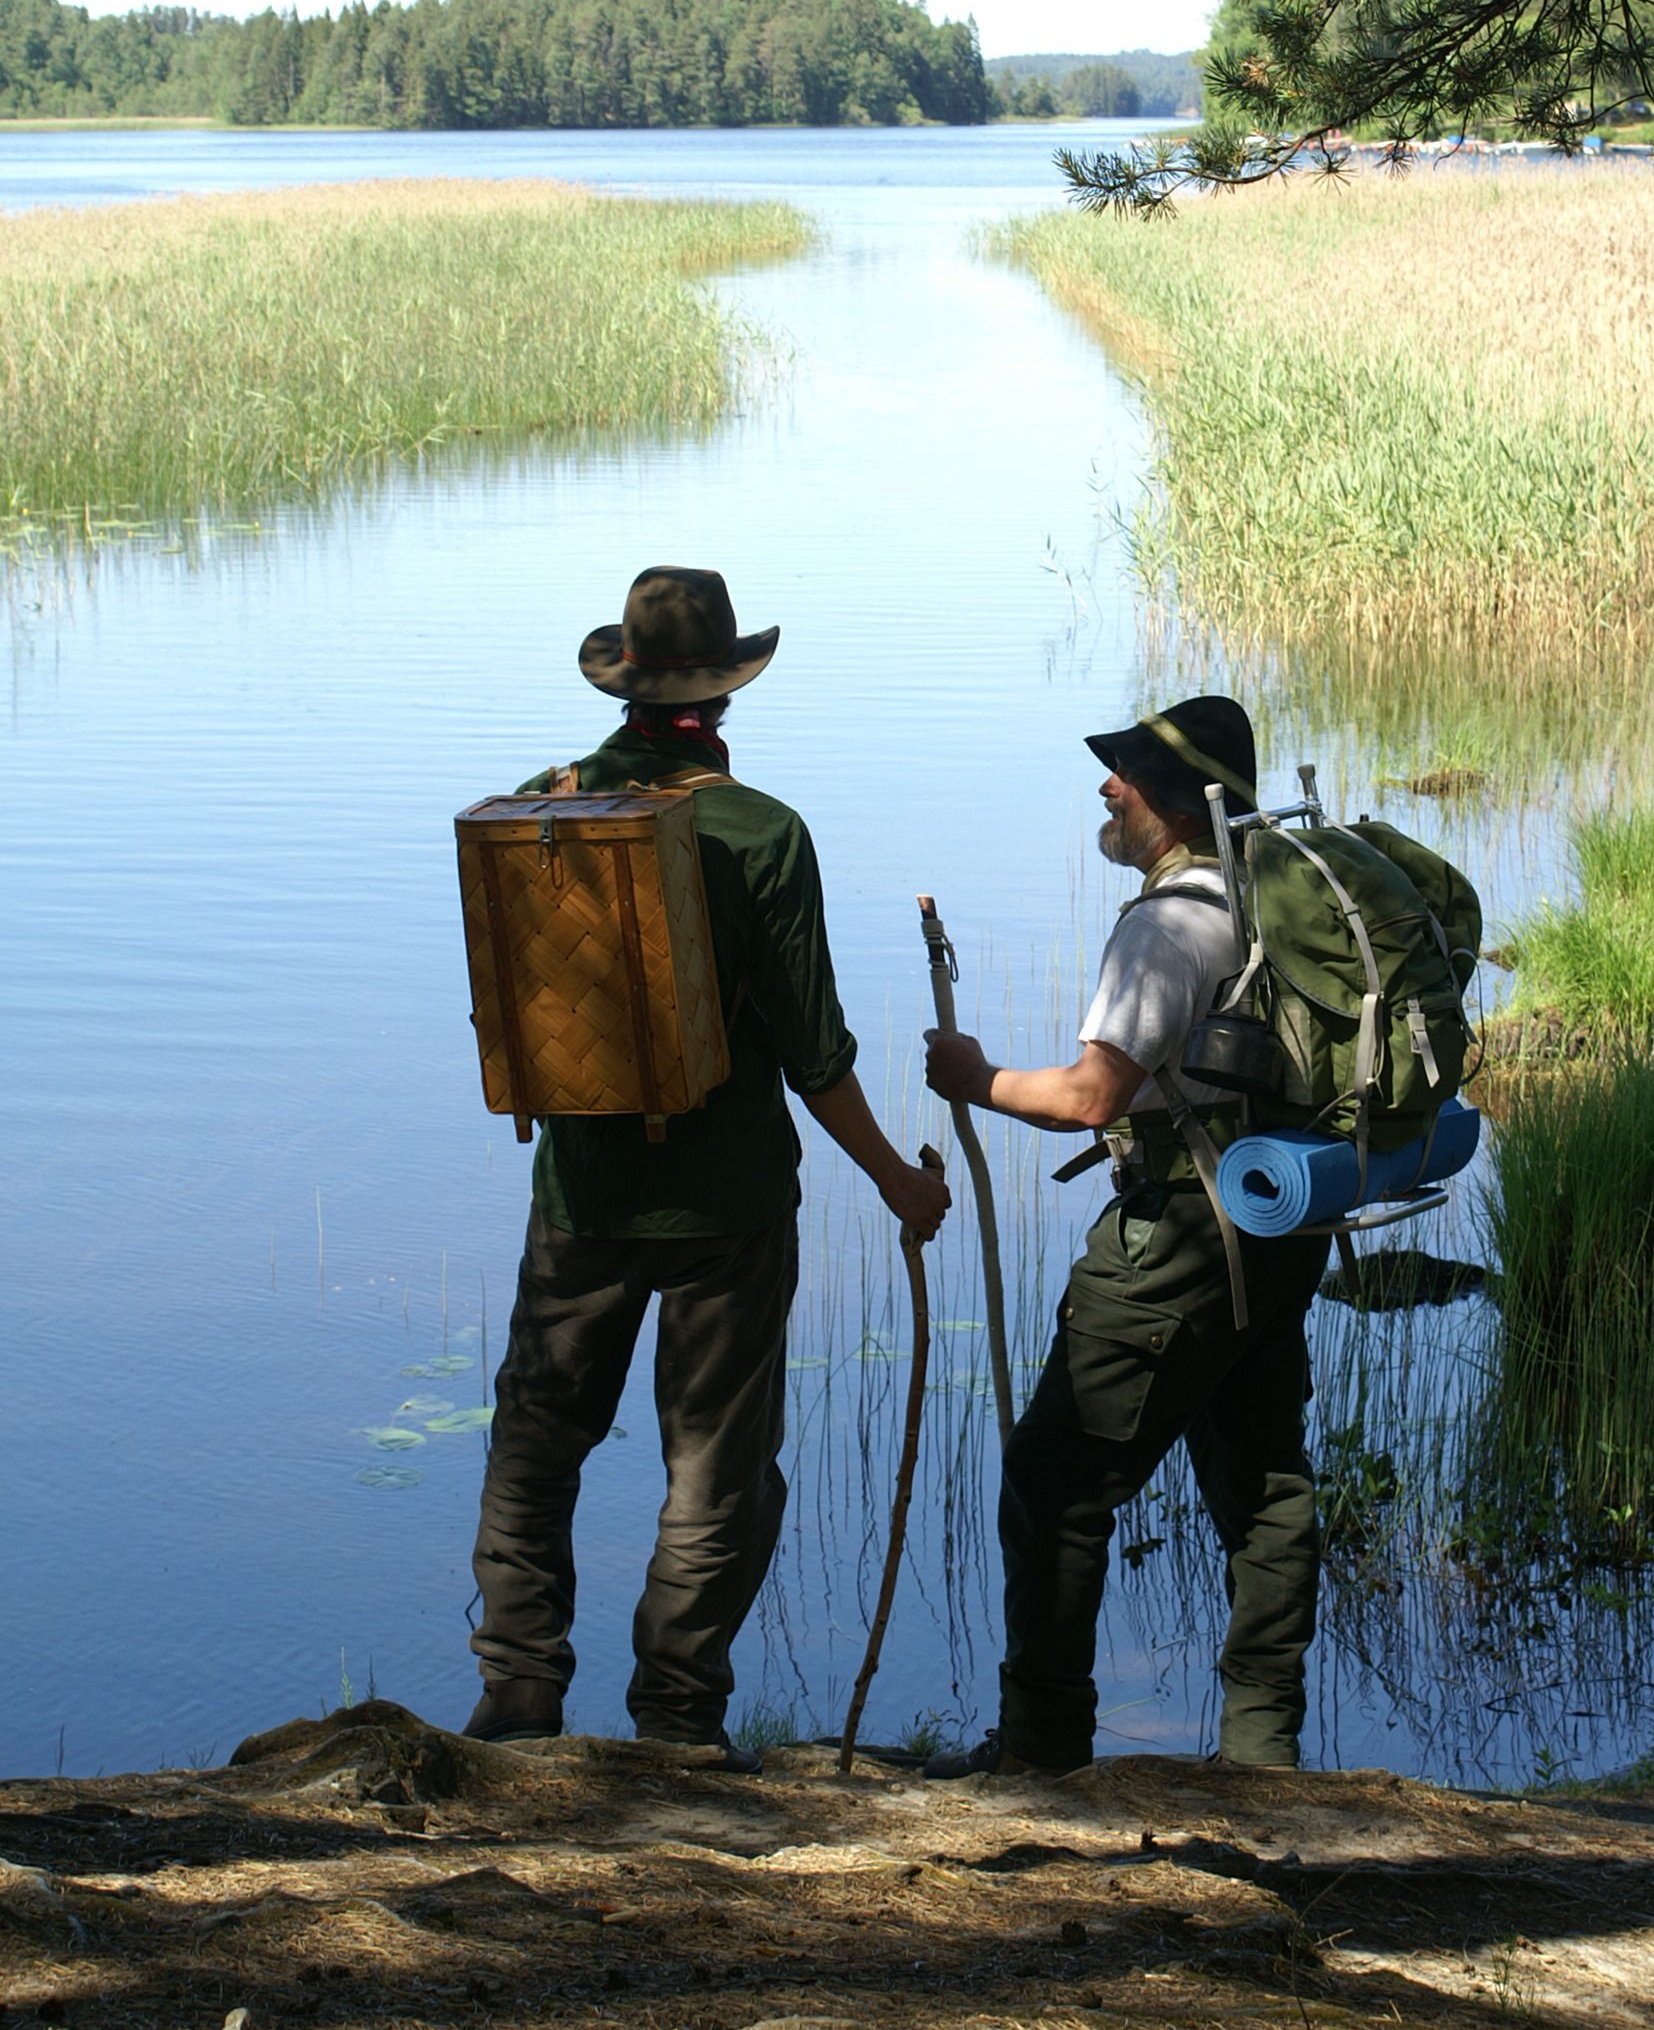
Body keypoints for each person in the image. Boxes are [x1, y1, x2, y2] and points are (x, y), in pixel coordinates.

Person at [465, 565, 947, 1764]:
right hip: (729, 1202)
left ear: (624, 687)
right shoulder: (763, 831)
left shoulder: (541, 809)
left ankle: (517, 1694)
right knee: (714, 1465)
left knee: (536, 1441)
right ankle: (677, 1719)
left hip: (581, 1196)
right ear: (725, 695)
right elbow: (815, 1052)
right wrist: (896, 1178)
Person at [922, 697, 1330, 1776]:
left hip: (1180, 1234)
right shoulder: (1269, 897)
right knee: (1265, 1486)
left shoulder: (1166, 927)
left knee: (1052, 1482)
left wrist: (975, 1077)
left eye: (1132, 774)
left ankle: (1041, 1747)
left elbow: (1090, 1096)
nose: (1109, 787)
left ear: (1182, 803)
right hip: (1277, 1220)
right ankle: (1262, 1753)